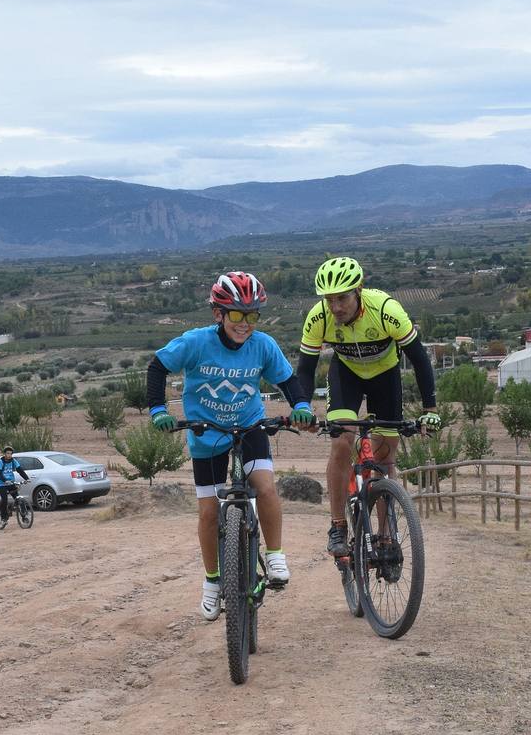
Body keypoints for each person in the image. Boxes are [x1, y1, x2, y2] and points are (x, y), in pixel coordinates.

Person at [146, 271, 316, 621]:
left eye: (252, 315)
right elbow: (157, 366)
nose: (245, 324)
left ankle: (275, 554)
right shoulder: (195, 343)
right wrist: (158, 409)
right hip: (206, 433)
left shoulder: (263, 345)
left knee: (266, 488)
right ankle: (212, 582)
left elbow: (287, 380)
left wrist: (300, 406)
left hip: (249, 426)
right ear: (218, 314)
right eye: (237, 314)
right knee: (209, 511)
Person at [296, 256, 441, 557]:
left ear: (359, 290)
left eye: (342, 298)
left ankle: (386, 537)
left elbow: (419, 359)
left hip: (385, 377)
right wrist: (302, 407)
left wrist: (431, 408)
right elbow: (306, 369)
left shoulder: (386, 310)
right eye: (330, 299)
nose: (336, 307)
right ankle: (338, 525)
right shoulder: (318, 317)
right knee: (341, 442)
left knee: (385, 458)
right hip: (346, 375)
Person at [0, 446, 30, 523]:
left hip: (11, 483)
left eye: (11, 453)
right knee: (4, 500)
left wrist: (26, 478)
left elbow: (20, 470)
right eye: (8, 453)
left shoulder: (13, 461)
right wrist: (4, 480)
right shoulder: (1, 462)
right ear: (4, 454)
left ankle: (24, 517)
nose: (9, 455)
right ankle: (3, 518)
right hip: (1, 484)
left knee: (18, 499)